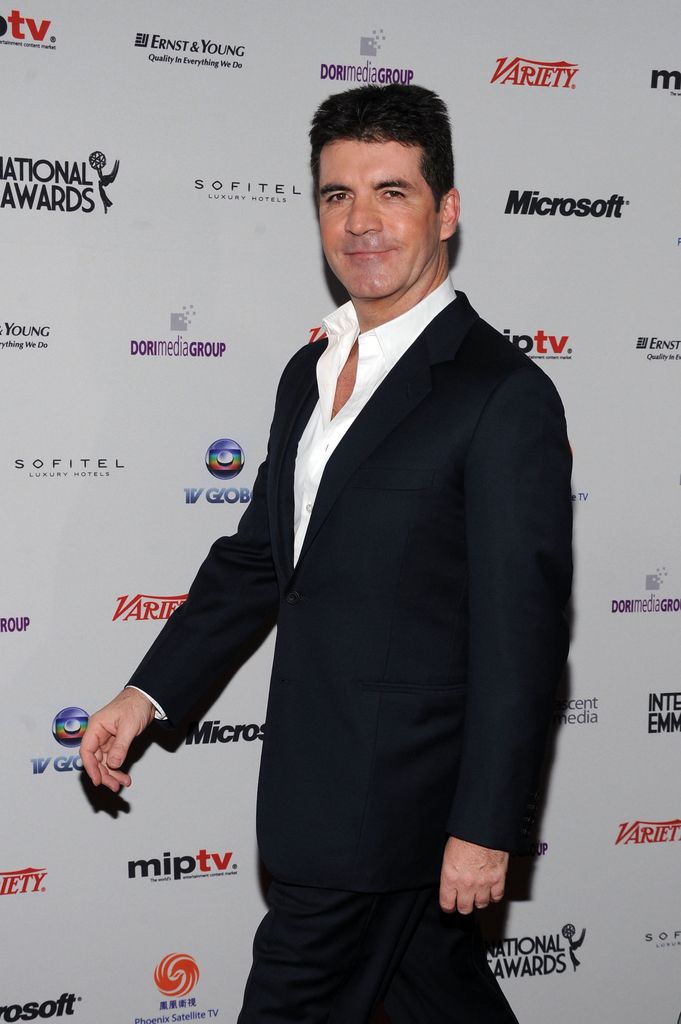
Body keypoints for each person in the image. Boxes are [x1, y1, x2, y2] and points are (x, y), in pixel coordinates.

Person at [81, 84, 572, 1023]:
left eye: (391, 191)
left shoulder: (499, 394)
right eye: (335, 195)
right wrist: (145, 695)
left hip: (394, 811)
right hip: (318, 789)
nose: (360, 222)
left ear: (448, 210)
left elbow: (525, 634)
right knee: (439, 998)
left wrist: (482, 826)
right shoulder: (307, 375)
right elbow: (262, 560)